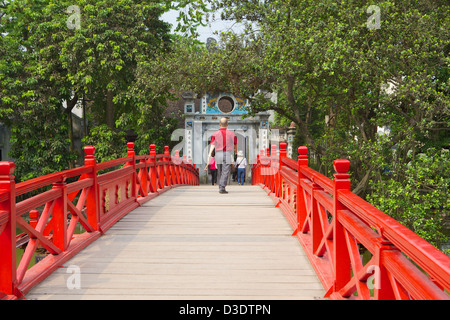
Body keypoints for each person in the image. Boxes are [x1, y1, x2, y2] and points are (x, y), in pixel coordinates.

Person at [205, 117, 237, 194]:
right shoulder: (232, 134)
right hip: (227, 153)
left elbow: (212, 145)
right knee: (226, 171)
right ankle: (222, 187)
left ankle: (221, 186)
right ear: (227, 124)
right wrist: (235, 152)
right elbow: (235, 144)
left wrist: (209, 154)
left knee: (220, 171)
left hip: (218, 153)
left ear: (219, 124)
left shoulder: (215, 134)